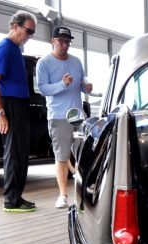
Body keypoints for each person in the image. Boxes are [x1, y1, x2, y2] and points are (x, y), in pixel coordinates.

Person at [36, 26, 92, 208]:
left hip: (78, 116)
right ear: (53, 41)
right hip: (58, 117)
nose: (64, 44)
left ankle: (84, 192)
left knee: (84, 156)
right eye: (60, 40)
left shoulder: (76, 61)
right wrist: (62, 84)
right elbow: (43, 89)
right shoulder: (44, 63)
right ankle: (63, 195)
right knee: (61, 157)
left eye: (67, 41)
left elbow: (81, 83)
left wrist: (87, 87)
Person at [0, 10, 37, 212]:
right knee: (14, 153)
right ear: (15, 26)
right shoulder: (5, 47)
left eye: (32, 33)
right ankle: (11, 200)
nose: (29, 36)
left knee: (20, 152)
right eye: (28, 31)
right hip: (10, 105)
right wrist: (0, 112)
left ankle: (16, 197)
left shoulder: (15, 49)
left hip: (19, 105)